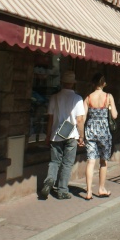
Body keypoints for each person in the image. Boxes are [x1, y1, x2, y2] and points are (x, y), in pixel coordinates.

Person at [39, 70, 86, 200]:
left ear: (62, 82)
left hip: (56, 134)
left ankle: (49, 180)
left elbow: (50, 119)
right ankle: (62, 190)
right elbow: (80, 120)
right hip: (71, 135)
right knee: (67, 163)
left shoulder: (54, 97)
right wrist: (81, 136)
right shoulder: (77, 98)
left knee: (54, 161)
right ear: (72, 84)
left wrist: (48, 136)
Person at [83, 72, 118, 200]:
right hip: (104, 132)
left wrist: (81, 135)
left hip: (90, 130)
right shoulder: (108, 96)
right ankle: (101, 188)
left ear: (93, 84)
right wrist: (109, 108)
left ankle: (88, 192)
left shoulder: (88, 98)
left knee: (90, 161)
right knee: (103, 161)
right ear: (104, 84)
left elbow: (82, 117)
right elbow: (114, 115)